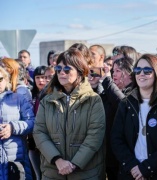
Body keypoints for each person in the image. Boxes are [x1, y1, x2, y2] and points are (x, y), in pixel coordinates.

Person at [33, 48, 106, 179]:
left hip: (86, 173)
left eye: (67, 69)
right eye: (58, 69)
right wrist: (57, 160)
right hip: (53, 172)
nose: (61, 73)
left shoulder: (93, 100)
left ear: (80, 71)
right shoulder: (47, 101)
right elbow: (39, 132)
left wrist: (74, 164)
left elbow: (94, 136)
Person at [111, 54, 157, 179]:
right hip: (131, 173)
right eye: (137, 70)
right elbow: (116, 139)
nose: (141, 74)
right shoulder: (126, 103)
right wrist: (132, 165)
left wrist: (147, 168)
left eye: (147, 70)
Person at [88, 56, 135, 180]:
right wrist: (94, 85)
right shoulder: (111, 90)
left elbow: (122, 103)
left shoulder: (134, 92)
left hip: (126, 155)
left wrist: (107, 80)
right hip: (109, 153)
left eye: (118, 71)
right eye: (113, 71)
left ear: (130, 73)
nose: (114, 74)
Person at [0, 66, 35, 180]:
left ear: (6, 79)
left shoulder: (19, 98)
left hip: (16, 159)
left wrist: (12, 127)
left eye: (0, 79)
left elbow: (32, 122)